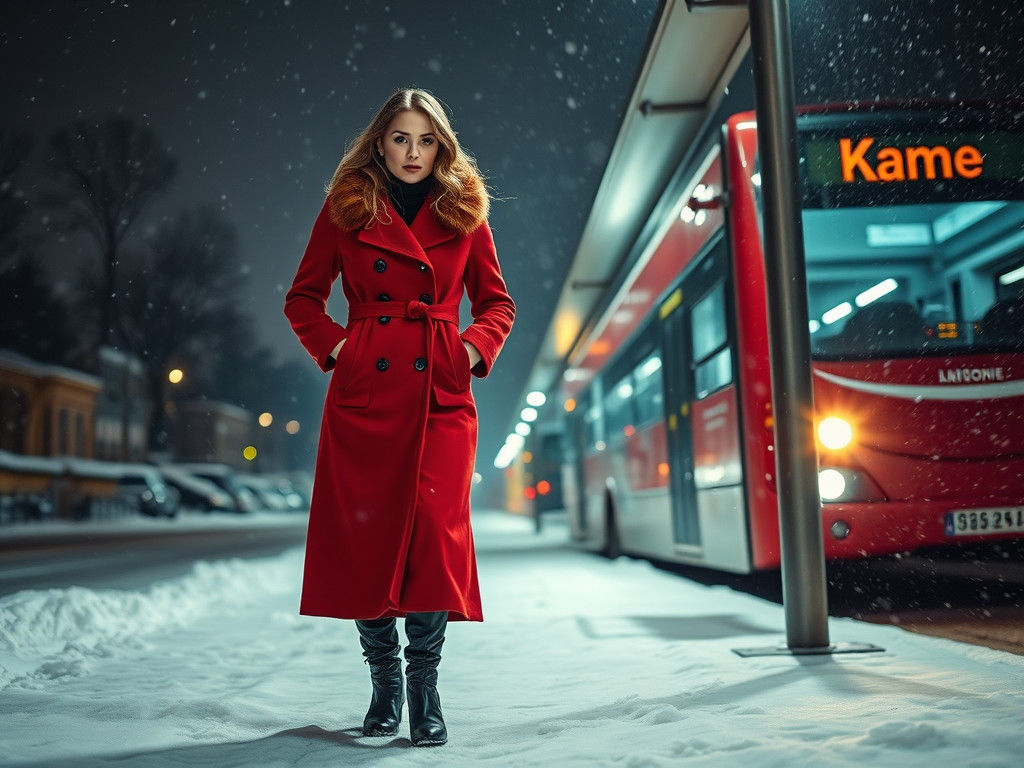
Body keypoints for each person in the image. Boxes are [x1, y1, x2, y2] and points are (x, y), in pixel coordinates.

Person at [283, 88, 515, 747]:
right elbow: (303, 299)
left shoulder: (466, 210)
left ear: (441, 145)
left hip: (441, 393)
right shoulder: (345, 207)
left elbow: (497, 303)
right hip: (366, 393)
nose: (413, 153)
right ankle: (384, 686)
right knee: (368, 538)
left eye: (426, 140)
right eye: (400, 139)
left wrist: (469, 350)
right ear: (378, 143)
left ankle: (425, 690)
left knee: (433, 538)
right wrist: (342, 348)